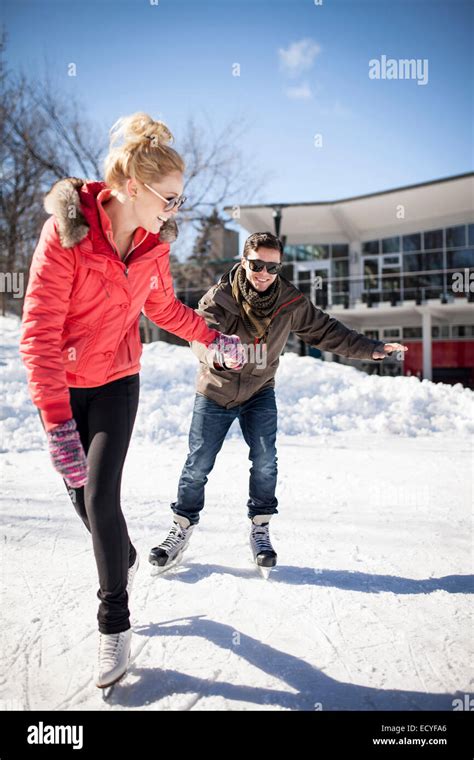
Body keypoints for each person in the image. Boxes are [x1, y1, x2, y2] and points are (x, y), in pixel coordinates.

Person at [19, 112, 243, 688]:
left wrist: (213, 337)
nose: (176, 208)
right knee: (90, 509)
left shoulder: (151, 248)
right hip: (65, 390)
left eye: (180, 197)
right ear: (135, 188)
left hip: (118, 379)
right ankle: (124, 554)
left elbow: (162, 308)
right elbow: (39, 334)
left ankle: (113, 623)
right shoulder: (67, 236)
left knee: (99, 496)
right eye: (170, 197)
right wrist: (55, 425)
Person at [149, 232, 407, 576]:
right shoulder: (220, 298)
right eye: (257, 265)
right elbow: (199, 335)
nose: (264, 273)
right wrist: (218, 357)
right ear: (244, 262)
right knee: (198, 464)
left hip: (259, 390)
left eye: (272, 266)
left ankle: (260, 528)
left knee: (265, 460)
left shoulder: (289, 301)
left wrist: (371, 348)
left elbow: (325, 331)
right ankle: (181, 528)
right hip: (216, 390)